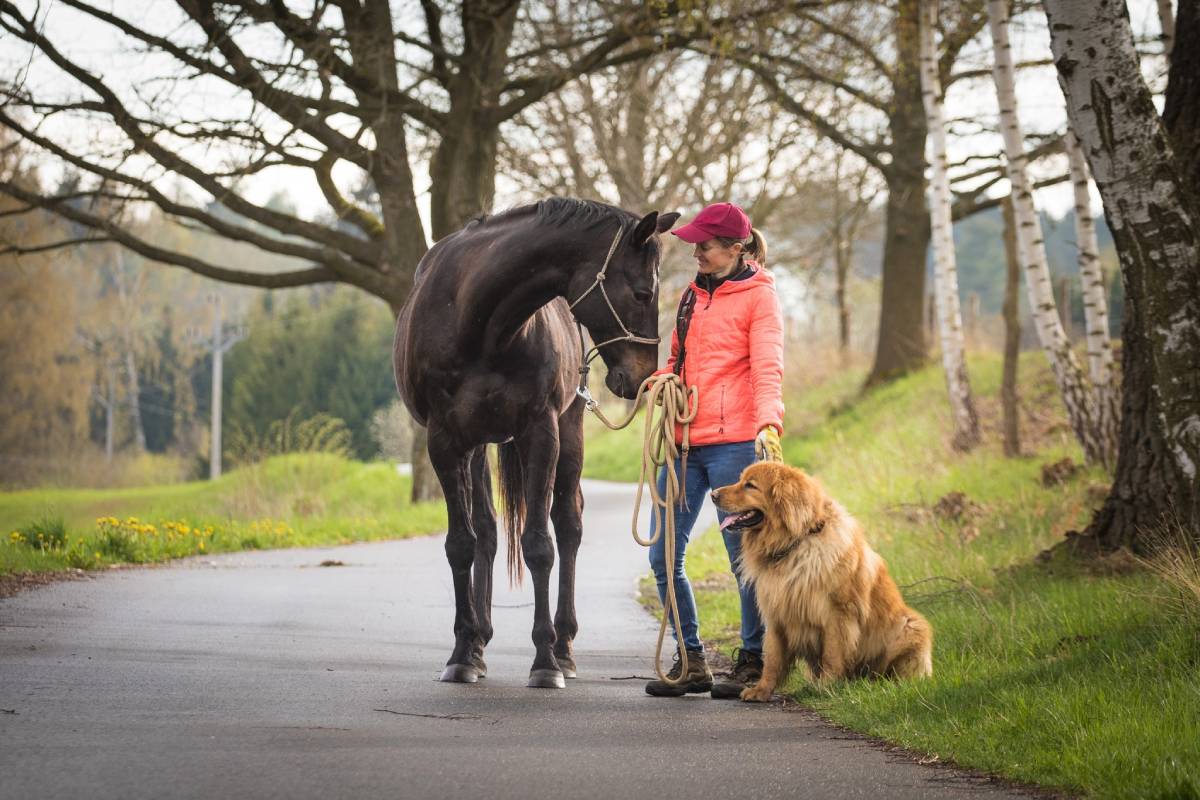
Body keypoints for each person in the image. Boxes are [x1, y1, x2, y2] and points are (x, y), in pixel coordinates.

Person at [645, 201, 785, 699]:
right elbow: (677, 360)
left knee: (743, 558)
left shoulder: (759, 298)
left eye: (704, 244)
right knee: (662, 554)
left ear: (735, 247)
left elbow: (767, 366)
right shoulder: (690, 295)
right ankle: (691, 659)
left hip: (734, 444)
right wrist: (661, 381)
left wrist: (769, 423)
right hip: (684, 444)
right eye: (695, 243)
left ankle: (752, 659)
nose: (696, 251)